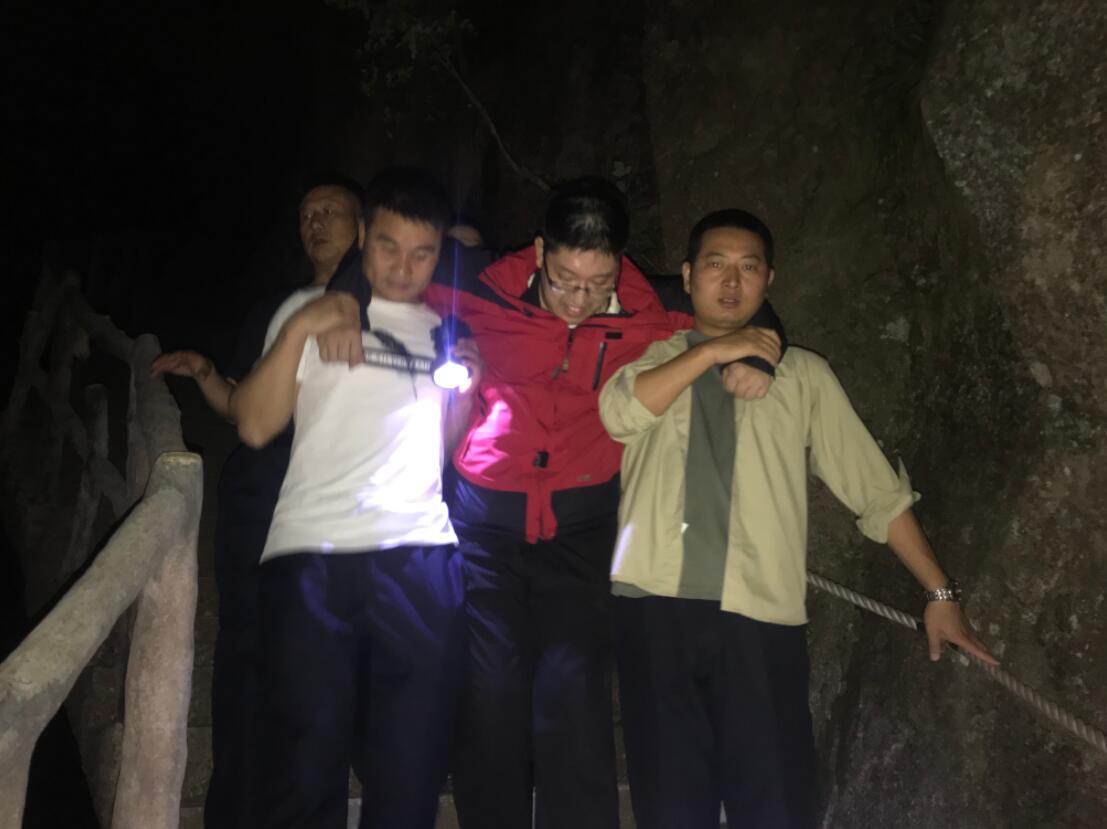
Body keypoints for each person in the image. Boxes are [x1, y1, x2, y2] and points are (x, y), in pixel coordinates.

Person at [598, 208, 997, 829]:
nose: (732, 281)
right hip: (654, 612)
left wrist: (939, 593)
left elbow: (875, 490)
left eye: (748, 267)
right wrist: (718, 351)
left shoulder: (804, 376)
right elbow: (619, 416)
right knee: (670, 803)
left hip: (759, 618)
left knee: (777, 801)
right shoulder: (645, 362)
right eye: (715, 264)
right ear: (688, 275)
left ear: (769, 281)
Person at [414, 178, 785, 829]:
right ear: (539, 252)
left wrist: (762, 360)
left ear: (619, 263)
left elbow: (753, 314)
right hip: (485, 524)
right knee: (491, 692)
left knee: (575, 692)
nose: (579, 300)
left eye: (597, 283)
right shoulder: (477, 287)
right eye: (564, 280)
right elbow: (384, 273)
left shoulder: (651, 305)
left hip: (582, 528)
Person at [230, 167, 480, 829]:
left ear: (438, 252)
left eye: (421, 252)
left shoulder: (442, 329)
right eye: (389, 246)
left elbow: (440, 453)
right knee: (306, 760)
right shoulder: (313, 309)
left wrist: (466, 392)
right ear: (364, 236)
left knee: (411, 765)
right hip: (313, 552)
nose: (403, 267)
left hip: (421, 556)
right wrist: (299, 329)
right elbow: (254, 424)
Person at [151, 178, 364, 829]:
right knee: (246, 659)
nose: (314, 223)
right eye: (305, 215)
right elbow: (243, 407)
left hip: (334, 515)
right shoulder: (276, 308)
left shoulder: (390, 308)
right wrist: (207, 375)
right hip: (259, 498)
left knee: (323, 669)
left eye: (329, 212)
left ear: (365, 225)